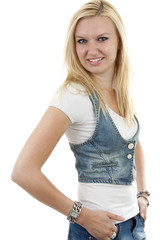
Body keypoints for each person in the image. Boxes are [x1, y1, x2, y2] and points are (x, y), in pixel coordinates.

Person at [11, 0, 150, 239]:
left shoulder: (121, 91)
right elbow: (23, 172)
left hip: (134, 226)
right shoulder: (74, 95)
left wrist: (143, 193)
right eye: (82, 41)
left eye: (102, 39)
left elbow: (133, 143)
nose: (91, 50)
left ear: (119, 42)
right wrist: (82, 216)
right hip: (96, 232)